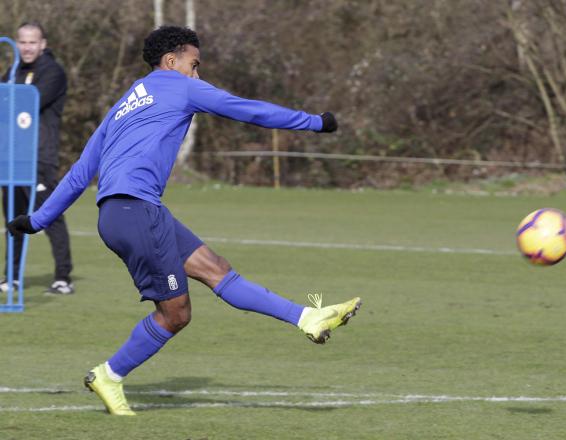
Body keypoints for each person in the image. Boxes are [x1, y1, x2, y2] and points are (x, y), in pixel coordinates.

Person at [8, 26, 361, 416]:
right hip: (136, 211)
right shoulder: (181, 87)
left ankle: (308, 317)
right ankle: (109, 374)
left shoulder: (126, 101)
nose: (198, 74)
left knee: (218, 271)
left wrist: (38, 220)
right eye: (195, 64)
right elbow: (250, 109)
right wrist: (315, 123)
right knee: (176, 314)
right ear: (171, 61)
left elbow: (80, 172)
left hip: (126, 212)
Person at [1, 21, 74, 295]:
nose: (27, 47)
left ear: (42, 44)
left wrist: (8, 101)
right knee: (13, 218)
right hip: (12, 158)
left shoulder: (52, 71)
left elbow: (29, 103)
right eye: (22, 42)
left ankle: (62, 278)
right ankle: (12, 276)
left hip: (39, 157)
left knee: (50, 216)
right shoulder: (14, 71)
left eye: (32, 42)